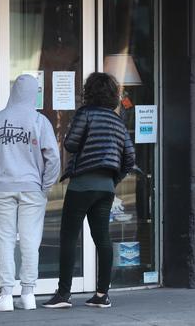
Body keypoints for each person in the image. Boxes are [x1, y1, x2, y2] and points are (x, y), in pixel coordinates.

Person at [43, 72, 135, 309]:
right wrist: (114, 178)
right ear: (113, 95)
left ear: (89, 92)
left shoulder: (85, 114)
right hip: (106, 188)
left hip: (82, 184)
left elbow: (71, 143)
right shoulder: (117, 121)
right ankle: (102, 294)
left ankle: (64, 294)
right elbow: (130, 156)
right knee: (103, 239)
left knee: (69, 237)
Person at [0, 74, 60, 311]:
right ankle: (28, 293)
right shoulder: (39, 121)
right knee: (30, 241)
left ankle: (5, 295)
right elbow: (53, 158)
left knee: (5, 241)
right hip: (32, 189)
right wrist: (45, 186)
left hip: (2, 188)